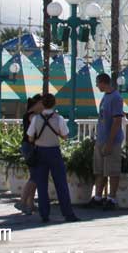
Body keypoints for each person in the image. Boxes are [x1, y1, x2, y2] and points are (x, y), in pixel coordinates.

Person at [26, 93, 79, 223]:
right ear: (54, 104)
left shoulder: (36, 119)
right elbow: (65, 136)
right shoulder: (59, 118)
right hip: (54, 151)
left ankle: (44, 214)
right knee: (61, 183)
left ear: (42, 104)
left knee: (42, 184)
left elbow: (30, 137)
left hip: (40, 152)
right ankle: (68, 213)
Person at [86, 73, 125, 210]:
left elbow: (117, 121)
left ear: (103, 82)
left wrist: (110, 142)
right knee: (100, 170)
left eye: (97, 83)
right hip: (101, 138)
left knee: (112, 170)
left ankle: (112, 198)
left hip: (111, 141)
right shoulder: (106, 97)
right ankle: (98, 197)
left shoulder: (116, 98)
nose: (97, 86)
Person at [15, 94, 44, 215]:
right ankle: (22, 201)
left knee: (35, 175)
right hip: (30, 146)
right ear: (37, 104)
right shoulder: (32, 116)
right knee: (35, 176)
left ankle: (30, 203)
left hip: (30, 146)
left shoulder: (30, 114)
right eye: (42, 104)